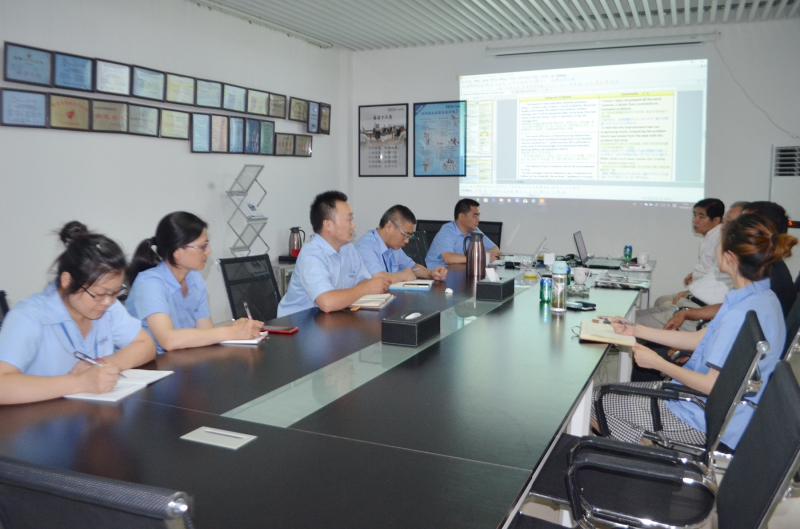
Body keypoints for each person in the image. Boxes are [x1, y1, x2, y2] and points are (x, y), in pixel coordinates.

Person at [594, 213, 797, 449]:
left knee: (596, 400)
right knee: (602, 396)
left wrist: (658, 363)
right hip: (711, 409)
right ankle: (644, 451)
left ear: (729, 257)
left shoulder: (741, 313)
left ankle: (646, 458)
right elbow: (699, 338)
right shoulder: (761, 298)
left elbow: (712, 386)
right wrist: (634, 329)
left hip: (700, 417)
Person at [0, 230, 156, 405]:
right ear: (67, 281)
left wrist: (101, 363)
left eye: (115, 293)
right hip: (40, 416)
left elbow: (145, 345)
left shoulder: (108, 306)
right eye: (99, 293)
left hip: (93, 415)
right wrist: (80, 382)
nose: (107, 302)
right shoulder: (28, 316)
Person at [126, 212, 263, 353]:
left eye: (207, 244)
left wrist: (234, 328)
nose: (208, 251)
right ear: (177, 252)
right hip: (149, 364)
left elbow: (206, 333)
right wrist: (231, 332)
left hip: (181, 360)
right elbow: (168, 340)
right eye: (202, 246)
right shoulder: (150, 284)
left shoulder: (194, 279)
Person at [664, 201, 797, 330]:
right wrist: (688, 313)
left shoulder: (764, 276)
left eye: (743, 221)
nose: (732, 227)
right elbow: (730, 305)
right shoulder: (762, 269)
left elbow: (735, 324)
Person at [277, 191, 392, 317]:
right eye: (349, 220)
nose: (353, 225)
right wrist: (367, 289)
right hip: (297, 323)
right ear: (328, 225)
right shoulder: (311, 255)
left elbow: (364, 281)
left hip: (331, 318)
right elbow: (327, 303)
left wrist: (367, 287)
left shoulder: (348, 248)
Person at [636, 201, 746, 330]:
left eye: (729, 222)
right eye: (694, 215)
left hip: (696, 311)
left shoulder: (733, 255)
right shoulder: (717, 242)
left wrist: (688, 310)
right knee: (636, 315)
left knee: (631, 321)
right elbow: (710, 277)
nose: (723, 227)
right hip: (692, 304)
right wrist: (691, 290)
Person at [354, 205, 447, 283]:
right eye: (405, 235)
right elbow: (377, 278)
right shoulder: (365, 246)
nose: (407, 241)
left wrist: (431, 273)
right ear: (389, 227)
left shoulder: (393, 247)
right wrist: (403, 275)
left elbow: (413, 267)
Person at [425, 198, 501, 268]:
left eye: (478, 216)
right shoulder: (447, 231)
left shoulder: (475, 231)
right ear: (461, 217)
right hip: (437, 274)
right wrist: (479, 257)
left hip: (459, 271)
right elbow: (448, 258)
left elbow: (496, 249)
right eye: (475, 216)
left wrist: (484, 255)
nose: (478, 219)